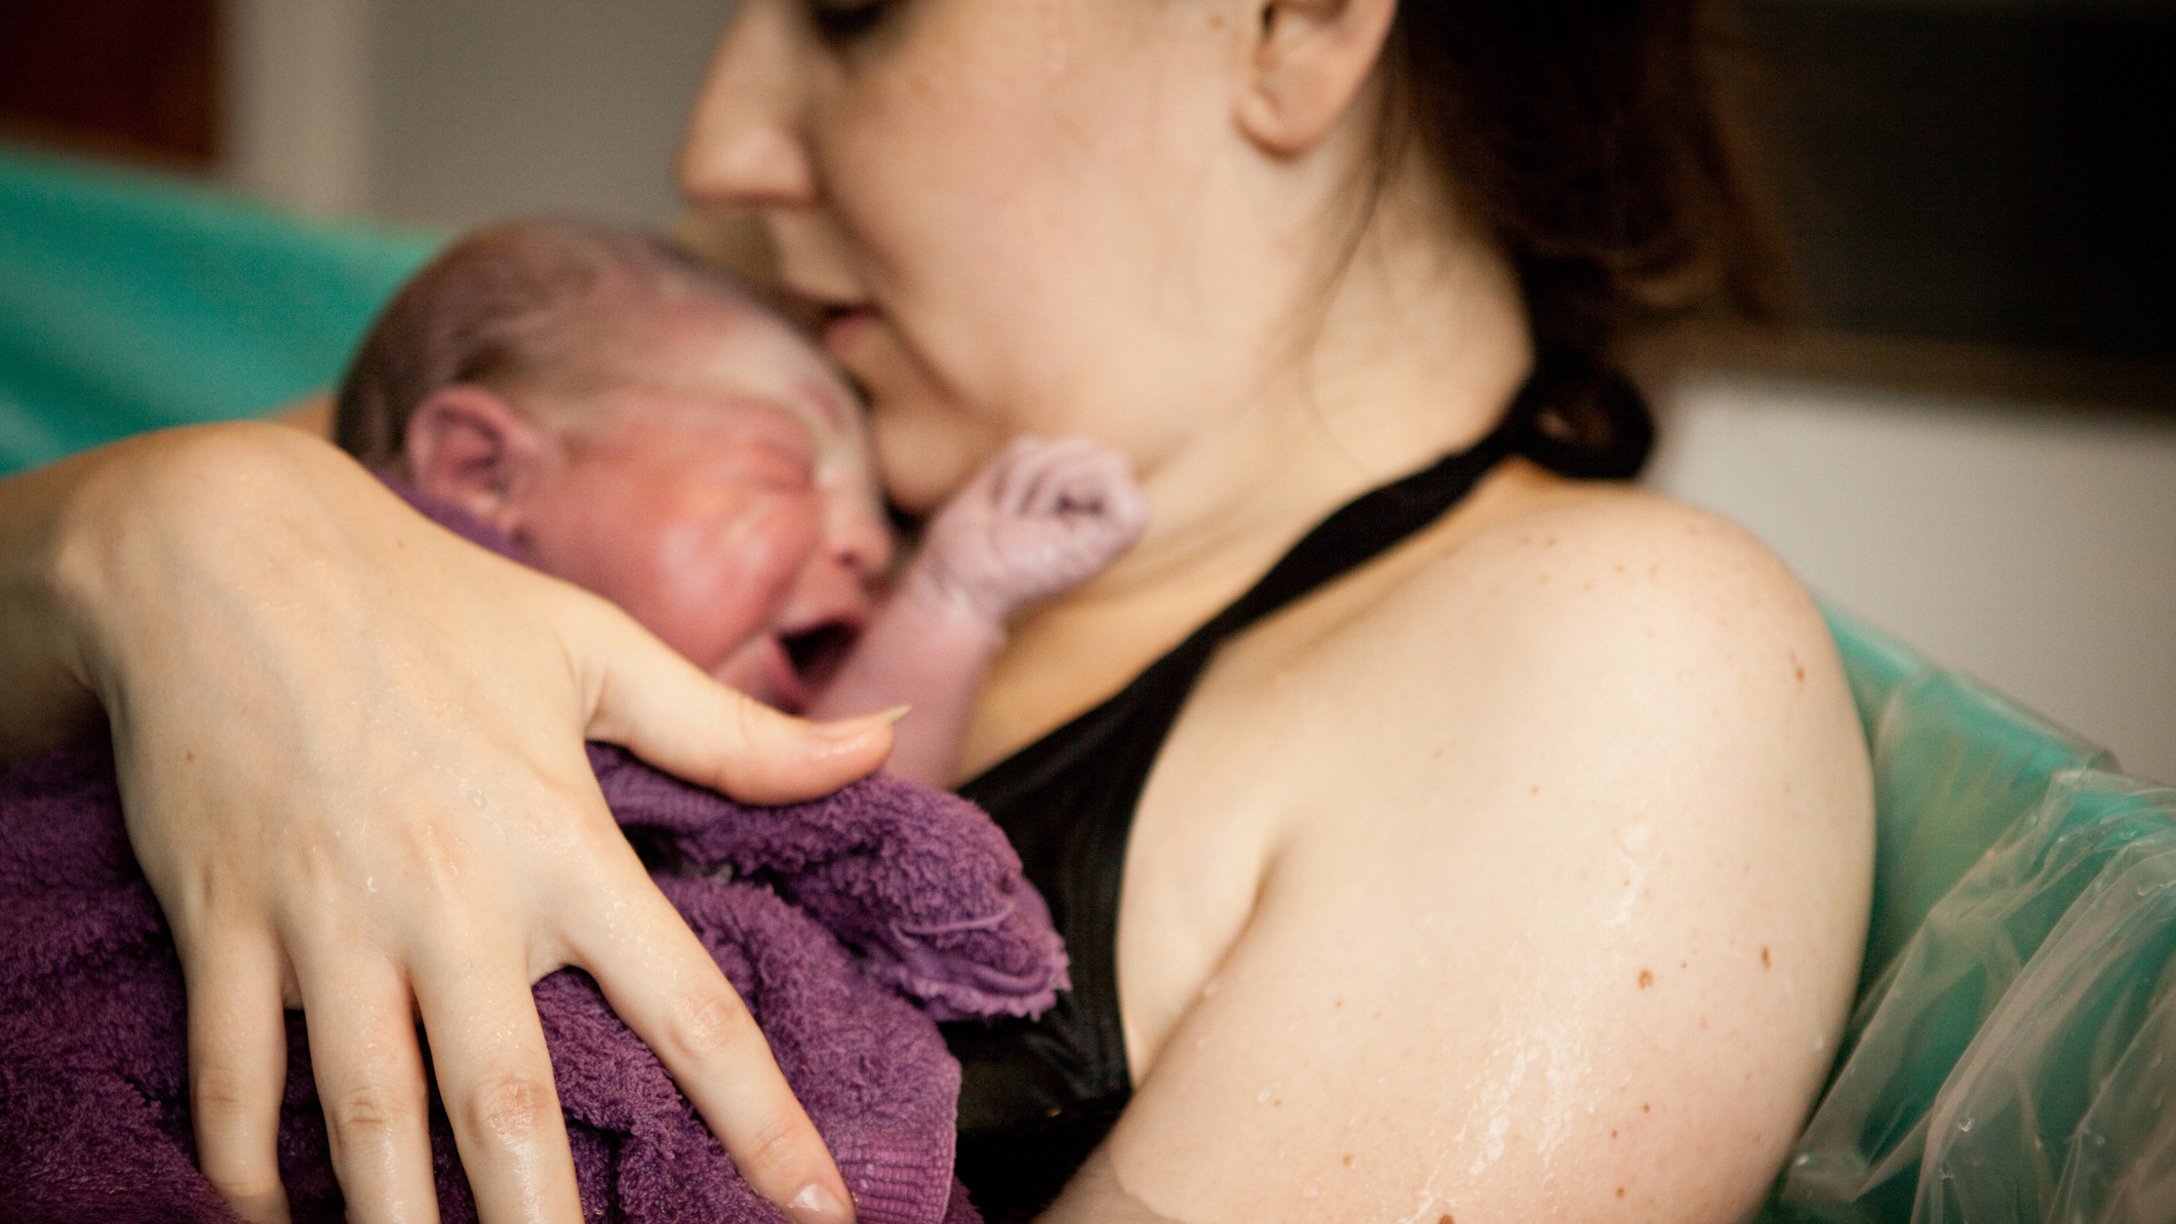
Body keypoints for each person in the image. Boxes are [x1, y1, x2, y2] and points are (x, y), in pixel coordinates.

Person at [0, 1, 1876, 1221]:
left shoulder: (1603, 677)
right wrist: (165, 527)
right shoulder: (746, 385)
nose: (719, 143)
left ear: (1296, 25)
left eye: (850, 12)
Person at [332, 217, 1146, 785]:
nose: (868, 548)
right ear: (485, 475)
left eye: (879, 531)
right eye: (788, 468)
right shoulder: (320, 687)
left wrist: (953, 601)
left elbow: (854, 821)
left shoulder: (722, 788)